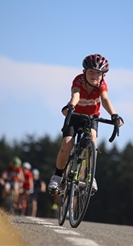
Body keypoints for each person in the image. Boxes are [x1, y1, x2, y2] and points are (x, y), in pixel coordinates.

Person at [48, 54, 124, 195]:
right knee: (67, 144)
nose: (94, 75)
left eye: (98, 73)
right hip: (75, 115)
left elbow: (105, 99)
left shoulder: (102, 85)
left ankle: (90, 176)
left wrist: (114, 115)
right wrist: (71, 106)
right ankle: (57, 176)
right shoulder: (79, 80)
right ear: (84, 72)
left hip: (91, 118)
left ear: (103, 76)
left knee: (93, 144)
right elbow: (75, 95)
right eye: (91, 72)